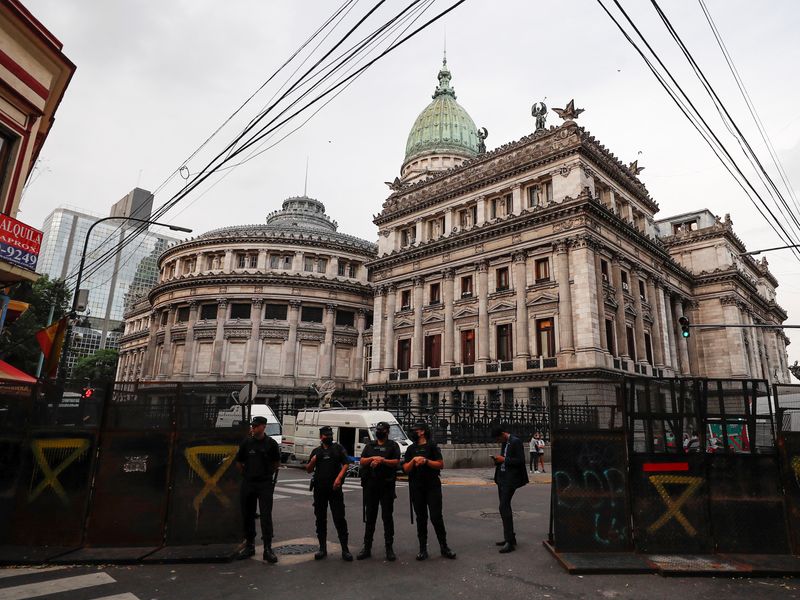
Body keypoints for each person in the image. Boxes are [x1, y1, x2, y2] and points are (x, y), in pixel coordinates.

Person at [402, 421, 457, 561]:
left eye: (416, 430)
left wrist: (426, 461)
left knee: (436, 517)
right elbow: (405, 469)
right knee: (421, 519)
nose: (414, 432)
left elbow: (440, 464)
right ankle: (422, 549)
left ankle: (444, 547)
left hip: (432, 486)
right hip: (416, 487)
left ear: (422, 431)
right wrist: (414, 461)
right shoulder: (411, 449)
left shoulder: (432, 446)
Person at [235, 415, 281, 563]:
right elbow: (239, 462)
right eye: (252, 426)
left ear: (263, 427)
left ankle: (268, 548)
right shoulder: (247, 443)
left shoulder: (271, 444)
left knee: (266, 515)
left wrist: (266, 475)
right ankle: (250, 545)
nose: (253, 428)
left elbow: (276, 463)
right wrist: (246, 474)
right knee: (248, 514)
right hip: (249, 482)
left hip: (264, 484)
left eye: (256, 426)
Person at [306, 426, 353, 561]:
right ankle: (322, 548)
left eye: (330, 434)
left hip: (334, 489)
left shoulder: (338, 448)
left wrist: (339, 478)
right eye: (326, 435)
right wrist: (314, 460)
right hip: (320, 490)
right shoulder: (317, 451)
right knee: (320, 519)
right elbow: (308, 469)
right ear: (321, 437)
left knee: (339, 518)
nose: (329, 437)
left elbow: (346, 463)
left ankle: (345, 549)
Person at [357, 421, 401, 561]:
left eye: (382, 430)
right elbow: (362, 461)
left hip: (386, 486)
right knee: (370, 517)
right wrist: (372, 459)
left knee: (387, 517)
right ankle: (367, 547)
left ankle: (389, 547)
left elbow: (396, 462)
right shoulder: (370, 445)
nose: (379, 431)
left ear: (387, 431)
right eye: (378, 429)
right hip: (371, 486)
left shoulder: (393, 445)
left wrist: (382, 460)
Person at [491, 423, 529, 553]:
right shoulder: (504, 443)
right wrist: (498, 460)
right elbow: (505, 459)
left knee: (503, 506)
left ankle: (509, 542)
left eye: (498, 439)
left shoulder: (515, 442)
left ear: (502, 434)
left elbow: (520, 460)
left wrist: (504, 459)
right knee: (504, 507)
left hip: (511, 479)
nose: (498, 442)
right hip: (502, 477)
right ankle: (509, 538)